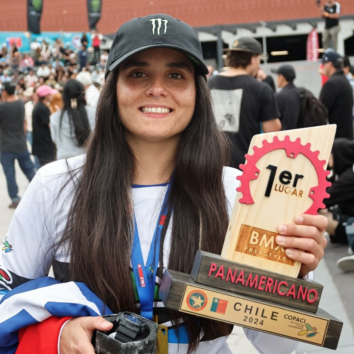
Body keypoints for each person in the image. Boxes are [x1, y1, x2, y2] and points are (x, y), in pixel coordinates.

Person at [0, 14, 328, 354]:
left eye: (176, 75)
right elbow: (5, 298)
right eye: (138, 74)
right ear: (113, 88)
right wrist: (60, 332)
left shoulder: (240, 191)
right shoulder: (54, 186)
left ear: (198, 93)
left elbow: (275, 345)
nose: (157, 88)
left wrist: (294, 277)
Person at [208, 37, 281, 169]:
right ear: (253, 59)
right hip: (246, 168)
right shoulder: (261, 89)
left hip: (210, 165)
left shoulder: (207, 85)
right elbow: (272, 131)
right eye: (259, 59)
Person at [0, 82, 36, 208]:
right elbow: (24, 123)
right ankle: (39, 190)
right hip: (21, 145)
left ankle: (15, 198)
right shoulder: (21, 104)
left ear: (4, 92)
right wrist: (23, 136)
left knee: (10, 174)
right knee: (29, 170)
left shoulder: (2, 107)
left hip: (6, 147)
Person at [50, 79, 95, 159]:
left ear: (64, 96)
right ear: (82, 94)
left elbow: (55, 139)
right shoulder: (93, 113)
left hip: (64, 164)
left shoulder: (55, 118)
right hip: (88, 162)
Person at [319, 51, 353, 140]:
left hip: (336, 139)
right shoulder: (344, 81)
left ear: (330, 64)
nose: (322, 67)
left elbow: (319, 111)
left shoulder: (332, 84)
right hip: (346, 136)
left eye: (323, 63)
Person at [32, 85, 57, 167]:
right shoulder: (42, 108)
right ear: (46, 95)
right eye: (50, 94)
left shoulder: (39, 106)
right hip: (44, 146)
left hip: (42, 145)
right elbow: (50, 125)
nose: (52, 96)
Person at [271, 64, 302, 130]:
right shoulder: (302, 93)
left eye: (277, 76)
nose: (277, 79)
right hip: (301, 135)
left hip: (285, 137)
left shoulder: (278, 97)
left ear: (281, 77)